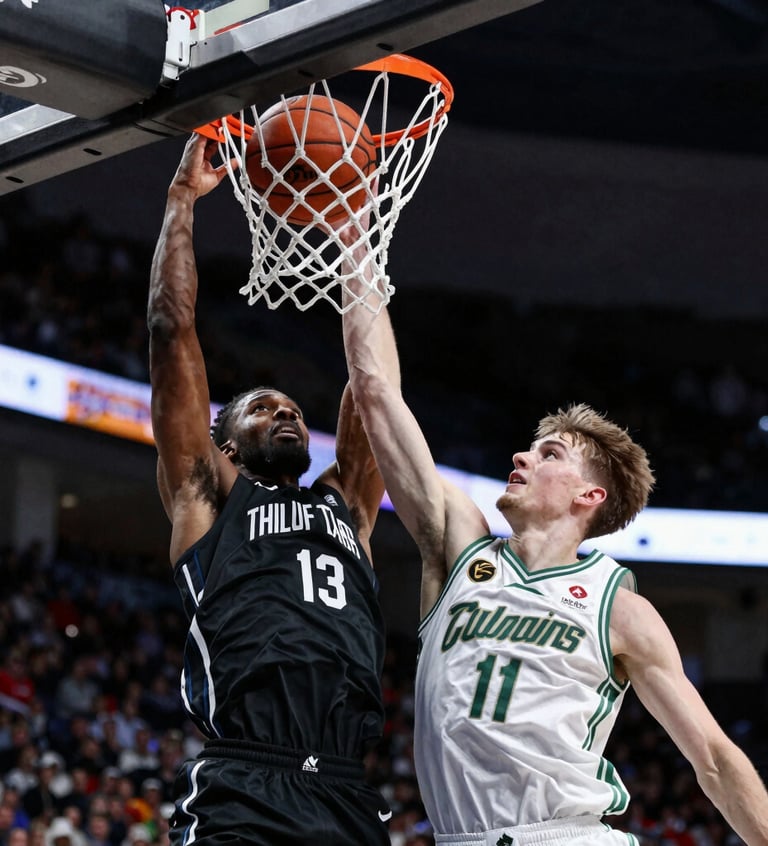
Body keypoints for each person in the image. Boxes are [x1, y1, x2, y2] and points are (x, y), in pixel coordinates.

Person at [338, 217, 768, 845]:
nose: (522, 458)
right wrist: (355, 241)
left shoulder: (622, 610)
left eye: (549, 454)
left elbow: (712, 757)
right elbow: (375, 393)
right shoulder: (459, 547)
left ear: (589, 497)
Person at [147, 134, 392, 845]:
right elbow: (171, 331)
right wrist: (181, 202)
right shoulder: (208, 496)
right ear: (224, 444)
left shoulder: (345, 505)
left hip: (349, 788)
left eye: (293, 408)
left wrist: (355, 232)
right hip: (246, 784)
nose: (285, 412)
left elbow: (372, 384)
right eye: (262, 407)